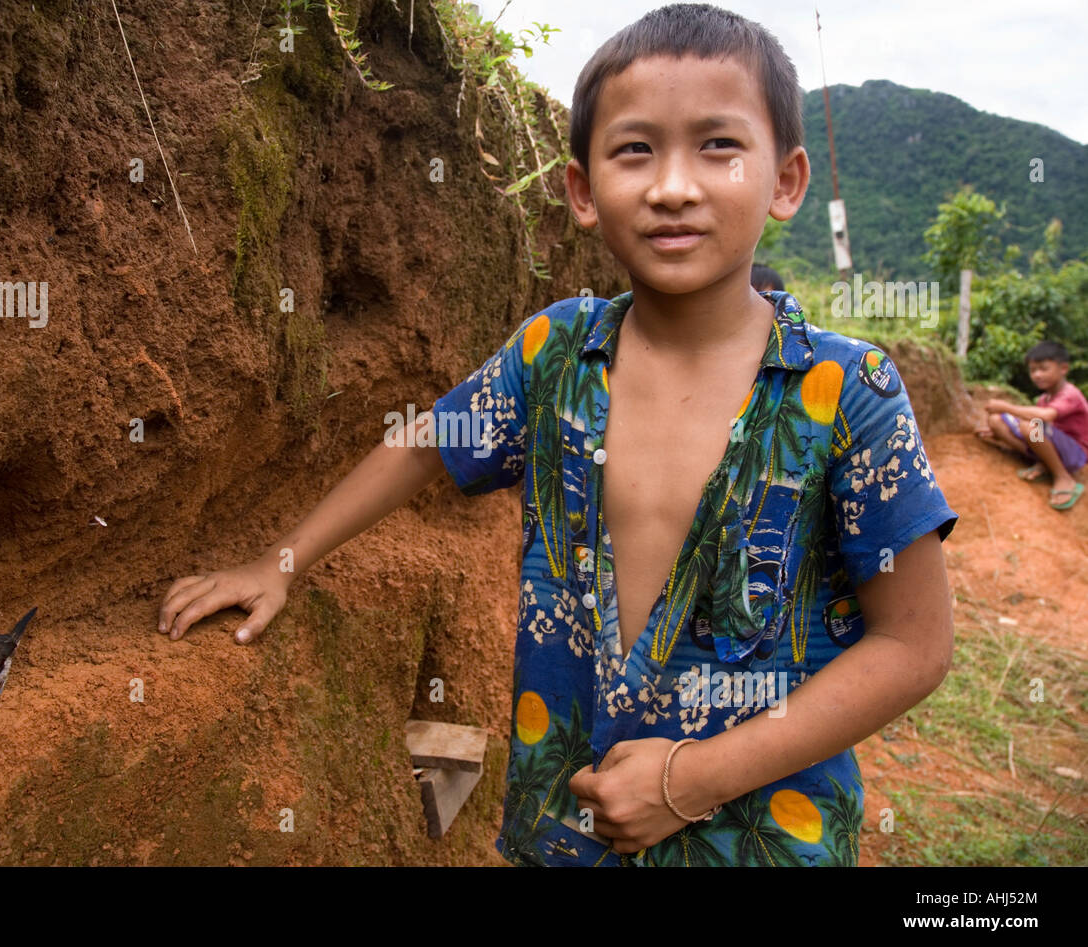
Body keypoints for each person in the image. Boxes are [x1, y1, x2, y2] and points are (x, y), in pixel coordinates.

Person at [158, 3, 958, 867]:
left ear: (787, 181)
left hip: (763, 840)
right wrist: (279, 561)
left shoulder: (850, 392)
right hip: (565, 831)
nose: (673, 186)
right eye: (634, 150)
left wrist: (691, 778)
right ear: (581, 191)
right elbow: (427, 441)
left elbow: (913, 645)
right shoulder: (553, 355)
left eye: (719, 145)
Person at [975, 340, 1087, 510]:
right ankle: (1043, 462)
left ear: (1063, 368)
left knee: (1031, 426)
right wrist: (996, 432)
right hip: (1052, 446)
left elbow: (1046, 416)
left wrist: (1006, 407)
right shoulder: (1044, 399)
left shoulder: (1070, 394)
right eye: (1033, 370)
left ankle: (1063, 477)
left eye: (1043, 368)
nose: (1037, 375)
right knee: (996, 421)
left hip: (1075, 454)